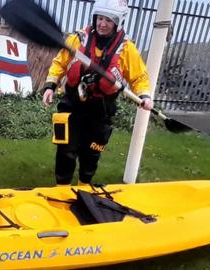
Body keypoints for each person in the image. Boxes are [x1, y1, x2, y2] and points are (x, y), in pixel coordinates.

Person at [41, 0, 154, 186]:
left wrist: (144, 96)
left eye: (108, 20)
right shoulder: (77, 40)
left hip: (102, 108)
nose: (102, 24)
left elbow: (139, 77)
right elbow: (59, 63)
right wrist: (50, 86)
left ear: (118, 23)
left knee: (92, 151)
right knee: (66, 148)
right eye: (100, 18)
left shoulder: (127, 49)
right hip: (73, 102)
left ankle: (85, 187)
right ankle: (61, 189)